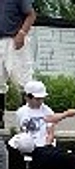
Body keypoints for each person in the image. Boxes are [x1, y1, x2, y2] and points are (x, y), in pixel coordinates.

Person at [0, 0, 35, 130]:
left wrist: (22, 33)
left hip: (14, 39)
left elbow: (31, 15)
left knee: (23, 81)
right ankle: (0, 120)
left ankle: (29, 119)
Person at [15, 80, 53, 148]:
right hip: (26, 147)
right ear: (27, 98)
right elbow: (20, 131)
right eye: (37, 99)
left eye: (42, 99)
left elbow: (50, 133)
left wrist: (47, 146)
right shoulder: (21, 112)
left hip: (43, 147)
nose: (40, 101)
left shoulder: (48, 111)